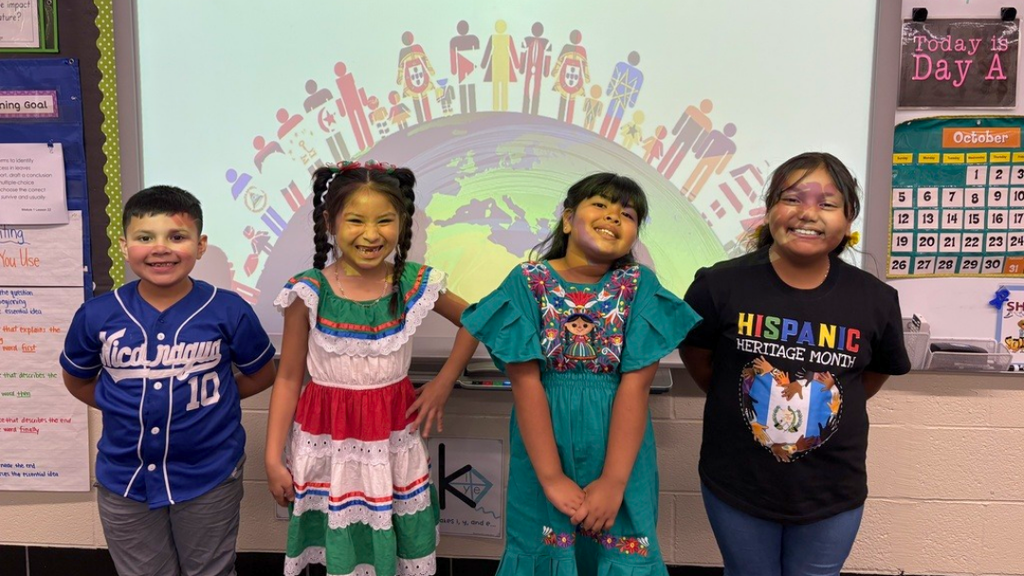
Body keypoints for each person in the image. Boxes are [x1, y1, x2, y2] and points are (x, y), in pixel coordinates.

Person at [680, 152, 912, 576]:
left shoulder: (875, 299)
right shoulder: (718, 284)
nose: (808, 213)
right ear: (770, 210)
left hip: (831, 490)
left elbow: (868, 378)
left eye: (827, 203)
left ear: (848, 219)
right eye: (792, 199)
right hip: (737, 483)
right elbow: (699, 358)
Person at [461, 173, 700, 575]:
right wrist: (552, 477)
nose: (613, 216)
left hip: (619, 452)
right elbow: (525, 382)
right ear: (568, 219)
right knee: (544, 550)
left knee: (623, 551)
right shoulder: (528, 281)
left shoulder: (639, 284)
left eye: (627, 213)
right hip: (543, 450)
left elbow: (636, 387)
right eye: (601, 205)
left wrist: (613, 482)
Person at [265, 160, 476, 576]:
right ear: (330, 222)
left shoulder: (414, 282)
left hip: (390, 434)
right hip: (327, 436)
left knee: (394, 538)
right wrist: (273, 458)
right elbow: (289, 377)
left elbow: (477, 319)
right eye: (356, 220)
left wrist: (443, 383)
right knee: (339, 541)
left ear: (402, 222)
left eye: (385, 220)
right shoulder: (308, 290)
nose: (371, 234)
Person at [61, 186, 277, 576]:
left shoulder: (228, 310)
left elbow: (263, 373)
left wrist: (217, 398)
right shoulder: (97, 314)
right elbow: (76, 380)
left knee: (211, 570)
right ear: (125, 246)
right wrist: (120, 402)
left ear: (201, 244)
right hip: (124, 480)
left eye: (177, 237)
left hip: (209, 476)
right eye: (145, 238)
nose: (161, 248)